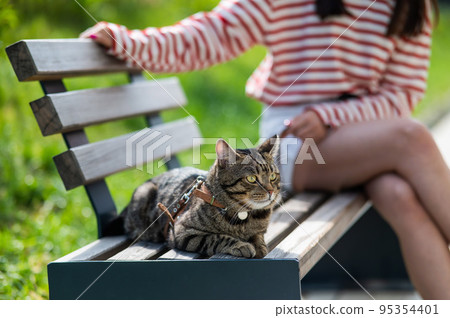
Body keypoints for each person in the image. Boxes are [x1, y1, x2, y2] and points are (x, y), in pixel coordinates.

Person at [81, 0, 449, 299]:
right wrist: (129, 41)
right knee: (411, 137)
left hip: (369, 139)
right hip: (294, 141)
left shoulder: (410, 4)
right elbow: (212, 34)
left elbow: (403, 94)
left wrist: (331, 114)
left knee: (398, 194)